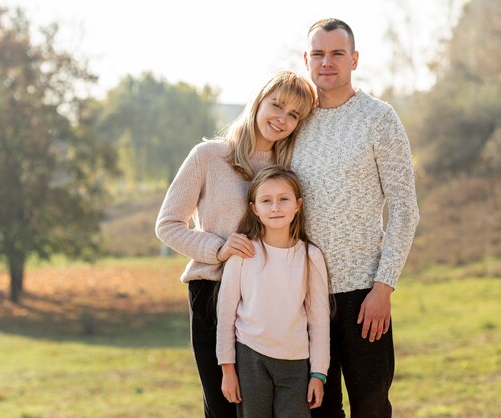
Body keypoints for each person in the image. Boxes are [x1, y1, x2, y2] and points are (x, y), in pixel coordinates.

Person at [156, 71, 316, 418]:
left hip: (269, 301)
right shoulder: (208, 157)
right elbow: (168, 225)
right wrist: (219, 248)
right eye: (277, 105)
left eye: (294, 115)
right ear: (259, 100)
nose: (282, 119)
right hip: (212, 291)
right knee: (223, 407)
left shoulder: (286, 168)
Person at [290, 18, 420, 418]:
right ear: (306, 60)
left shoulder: (379, 118)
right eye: (318, 54)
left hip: (364, 295)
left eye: (336, 54)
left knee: (371, 408)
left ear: (354, 59)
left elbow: (404, 210)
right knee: (318, 410)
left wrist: (384, 288)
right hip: (303, 294)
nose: (326, 62)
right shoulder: (295, 121)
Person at [216, 166, 330, 418]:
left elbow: (319, 321)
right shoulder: (243, 254)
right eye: (266, 201)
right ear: (254, 208)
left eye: (283, 199)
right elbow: (225, 316)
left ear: (298, 204)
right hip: (250, 358)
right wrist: (228, 369)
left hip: (296, 363)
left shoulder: (310, 256)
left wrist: (318, 374)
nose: (275, 207)